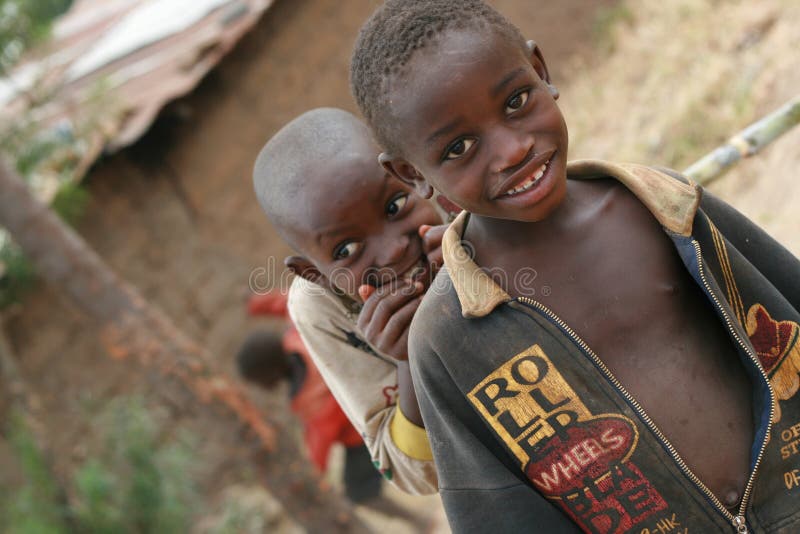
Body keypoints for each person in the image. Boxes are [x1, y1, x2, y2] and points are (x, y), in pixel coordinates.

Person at [349, 1, 800, 532]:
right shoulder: (449, 339)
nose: (514, 149)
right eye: (460, 147)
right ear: (412, 173)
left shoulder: (661, 206)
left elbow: (785, 306)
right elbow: (499, 517)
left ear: (542, 71)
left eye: (517, 101)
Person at [251, 107, 445, 495]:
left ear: (413, 173)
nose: (392, 252)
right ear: (315, 274)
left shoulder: (460, 193)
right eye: (347, 249)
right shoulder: (322, 308)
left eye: (394, 207)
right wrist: (411, 362)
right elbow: (414, 473)